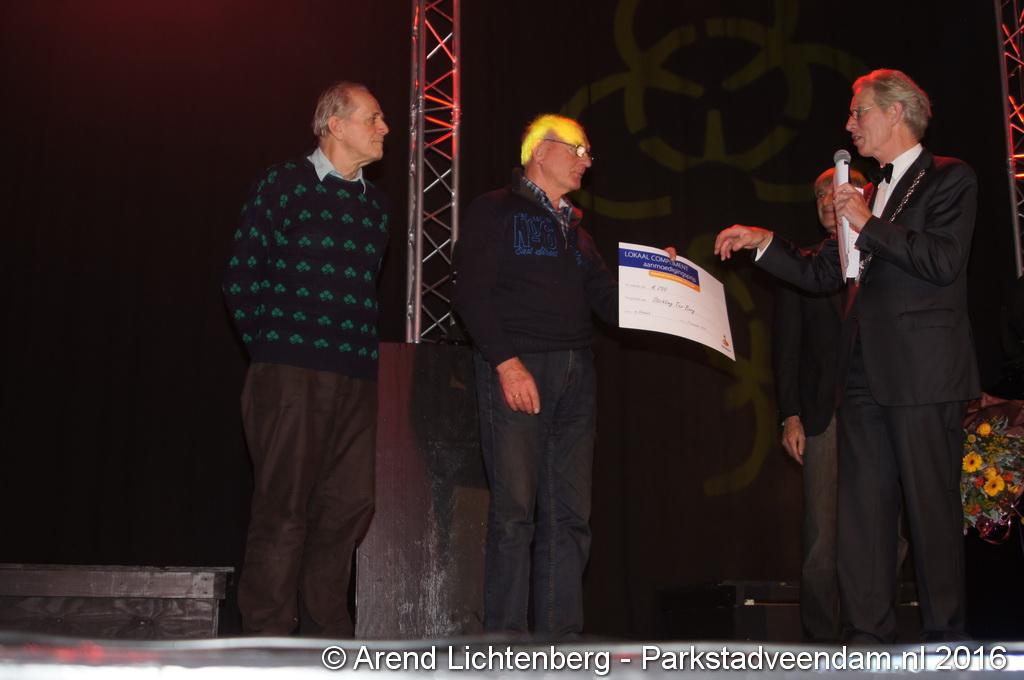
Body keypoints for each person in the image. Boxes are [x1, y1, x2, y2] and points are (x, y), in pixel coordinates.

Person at [716, 69, 978, 642]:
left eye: (859, 112)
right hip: (860, 375)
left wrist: (866, 222)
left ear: (895, 112)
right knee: (862, 518)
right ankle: (866, 642)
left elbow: (942, 261)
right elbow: (823, 272)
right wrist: (763, 242)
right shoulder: (873, 193)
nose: (849, 124)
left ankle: (947, 645)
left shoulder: (949, 178)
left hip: (923, 374)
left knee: (930, 516)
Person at [222, 81, 390, 636]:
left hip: (357, 375)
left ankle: (327, 639)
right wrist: (274, 351)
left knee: (349, 507)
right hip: (289, 372)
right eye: (373, 117)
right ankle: (268, 641)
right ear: (335, 125)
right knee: (284, 508)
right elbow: (241, 275)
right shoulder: (283, 183)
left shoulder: (376, 207)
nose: (384, 128)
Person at [453, 114, 616, 637]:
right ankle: (506, 645)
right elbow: (470, 292)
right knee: (515, 513)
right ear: (540, 151)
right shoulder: (495, 209)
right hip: (520, 365)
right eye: (578, 149)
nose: (587, 160)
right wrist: (506, 363)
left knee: (570, 516)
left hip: (576, 374)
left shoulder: (578, 233)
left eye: (589, 152)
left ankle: (559, 642)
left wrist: (661, 280)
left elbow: (613, 306)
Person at [773, 166, 863, 641]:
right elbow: (786, 347)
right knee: (821, 538)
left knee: (884, 532)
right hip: (823, 416)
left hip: (878, 412)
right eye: (821, 195)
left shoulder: (883, 255)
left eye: (837, 191)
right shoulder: (802, 264)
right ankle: (823, 645)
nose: (829, 200)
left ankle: (870, 633)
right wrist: (790, 415)